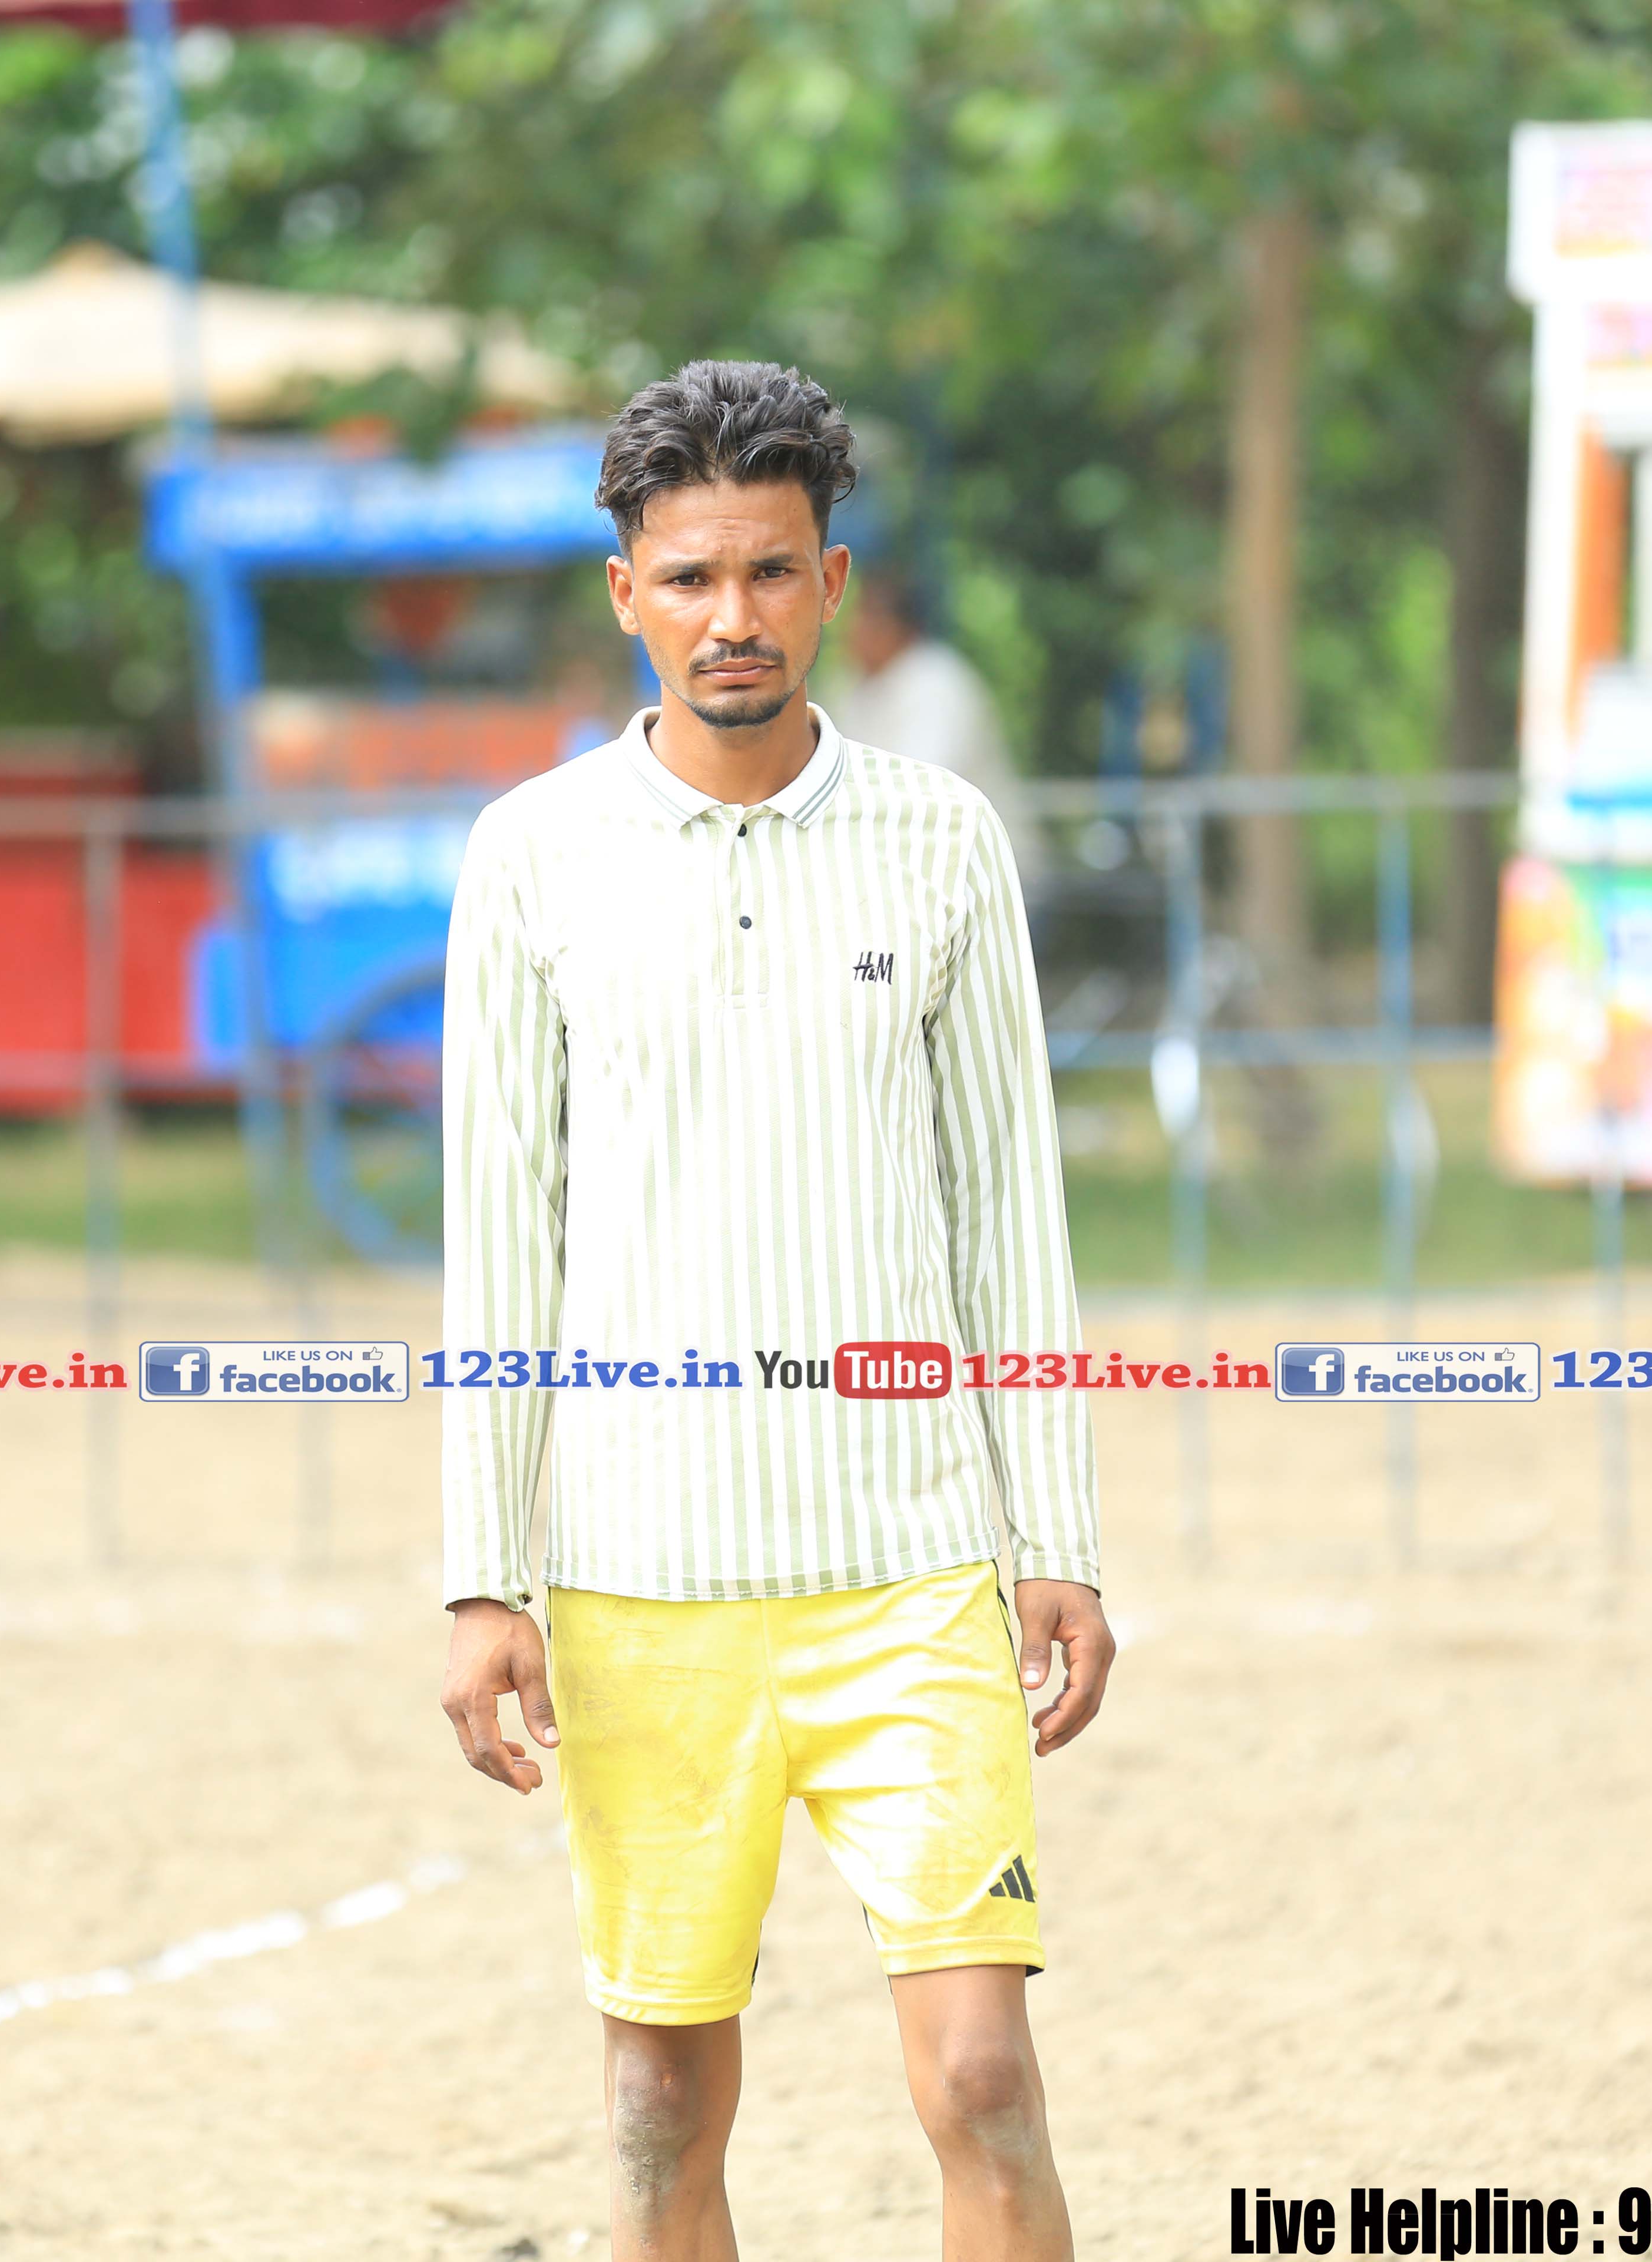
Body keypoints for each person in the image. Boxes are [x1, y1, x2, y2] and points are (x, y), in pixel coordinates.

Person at [438, 362, 1112, 2260]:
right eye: (687, 578)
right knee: (658, 2109)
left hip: (913, 1569)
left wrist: (1054, 1535)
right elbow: (500, 1236)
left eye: (767, 571)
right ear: (626, 596)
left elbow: (1012, 1215)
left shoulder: (942, 839)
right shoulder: (532, 854)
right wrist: (485, 1575)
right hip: (639, 1576)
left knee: (985, 2078)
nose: (729, 616)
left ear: (833, 581)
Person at [839, 565, 1049, 887]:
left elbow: (915, 793)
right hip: (918, 876)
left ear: (899, 626)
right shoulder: (858, 688)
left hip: (989, 884)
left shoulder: (937, 681)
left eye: (864, 615)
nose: (852, 629)